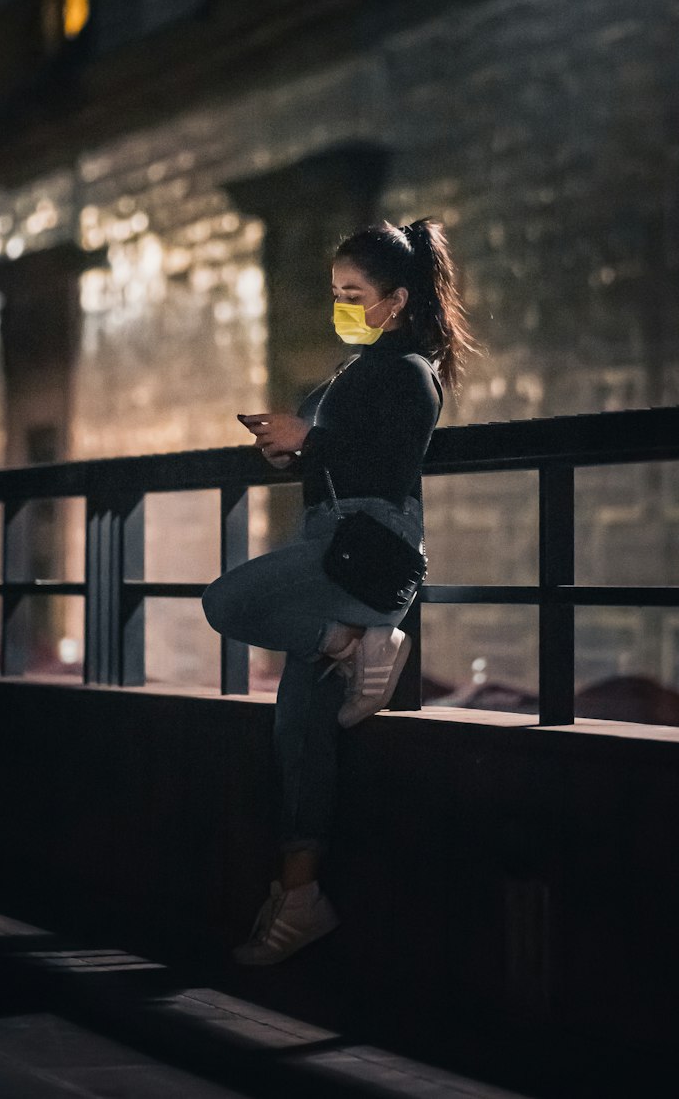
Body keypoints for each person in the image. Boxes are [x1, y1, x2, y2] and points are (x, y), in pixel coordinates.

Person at [202, 218, 476, 966]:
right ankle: (300, 899)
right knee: (299, 729)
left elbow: (390, 460)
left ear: (396, 297)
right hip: (330, 540)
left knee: (225, 603)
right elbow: (342, 456)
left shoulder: (408, 369)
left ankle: (350, 639)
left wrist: (310, 437)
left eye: (354, 294)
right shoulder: (357, 370)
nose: (342, 305)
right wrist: (291, 450)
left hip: (362, 552)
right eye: (336, 293)